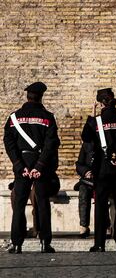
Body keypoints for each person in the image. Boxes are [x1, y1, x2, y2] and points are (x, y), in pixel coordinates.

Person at [3, 82, 60, 254]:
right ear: (41, 97)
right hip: (40, 164)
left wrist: (20, 165)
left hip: (22, 162)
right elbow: (50, 144)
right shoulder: (48, 117)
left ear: (27, 97)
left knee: (19, 204)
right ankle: (44, 242)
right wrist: (40, 166)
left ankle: (17, 243)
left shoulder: (14, 118)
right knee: (42, 203)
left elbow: (9, 142)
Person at [82, 88, 116, 252]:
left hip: (102, 169)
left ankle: (99, 244)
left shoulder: (96, 122)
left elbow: (86, 138)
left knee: (100, 205)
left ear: (100, 104)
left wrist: (91, 116)